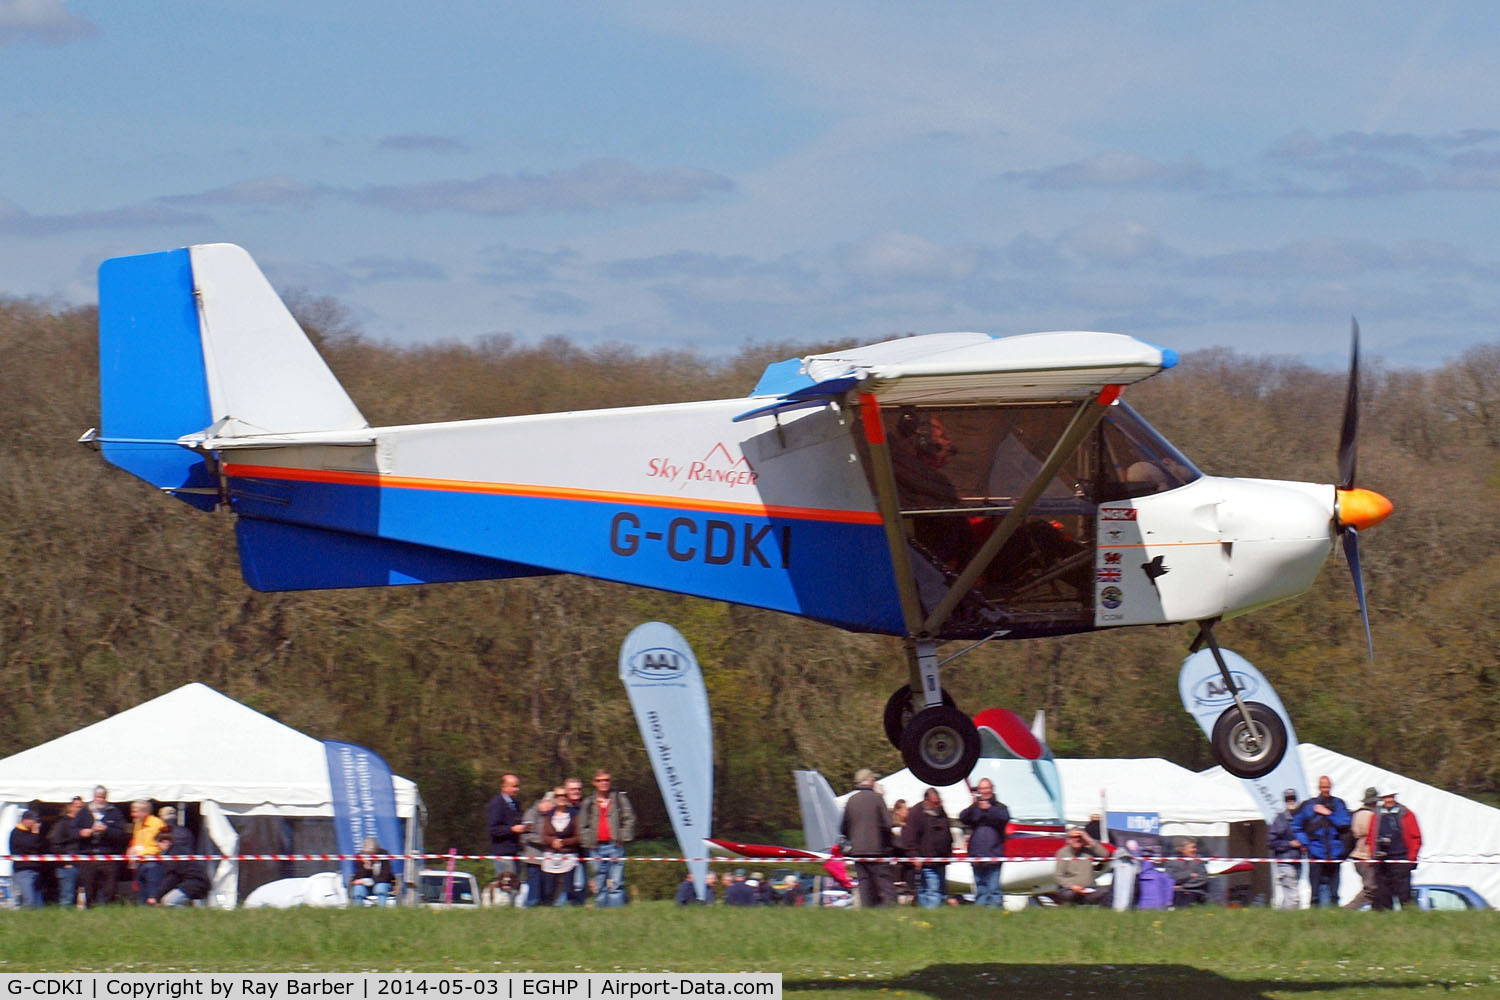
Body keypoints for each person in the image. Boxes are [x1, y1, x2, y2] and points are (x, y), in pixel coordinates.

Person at [840, 767, 896, 907]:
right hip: (877, 850)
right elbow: (888, 823)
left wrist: (855, 838)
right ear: (871, 781)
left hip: (858, 851)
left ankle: (867, 909)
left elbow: (843, 828)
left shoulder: (851, 800)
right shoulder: (877, 799)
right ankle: (892, 910)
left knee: (864, 883)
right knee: (885, 883)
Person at [578, 769, 636, 904]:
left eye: (606, 780)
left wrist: (622, 837)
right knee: (599, 880)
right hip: (595, 847)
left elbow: (629, 819)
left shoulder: (619, 798)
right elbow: (583, 824)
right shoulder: (589, 802)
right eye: (600, 780)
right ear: (594, 783)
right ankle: (601, 911)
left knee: (616, 881)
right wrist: (588, 842)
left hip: (615, 845)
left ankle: (616, 911)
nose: (603, 783)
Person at [1292, 775, 1351, 907]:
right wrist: (1305, 843)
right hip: (1316, 852)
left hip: (1335, 853)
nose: (1326, 790)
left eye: (1328, 787)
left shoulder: (1338, 804)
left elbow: (1345, 822)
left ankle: (1334, 914)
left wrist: (1328, 813)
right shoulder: (1308, 806)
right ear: (1319, 787)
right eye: (1323, 787)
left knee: (1334, 892)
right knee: (1315, 892)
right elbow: (1297, 826)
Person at [958, 778, 1010, 908]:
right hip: (977, 855)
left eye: (986, 788)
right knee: (980, 889)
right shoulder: (975, 808)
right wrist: (973, 805)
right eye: (981, 789)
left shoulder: (999, 807)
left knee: (994, 889)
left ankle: (996, 915)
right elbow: (962, 818)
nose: (984, 791)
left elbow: (1005, 818)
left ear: (991, 789)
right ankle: (980, 914)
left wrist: (989, 808)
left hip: (994, 854)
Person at [75, 785, 128, 907]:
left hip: (108, 856)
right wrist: (83, 832)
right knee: (89, 887)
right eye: (98, 797)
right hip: (88, 855)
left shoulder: (114, 812)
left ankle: (108, 910)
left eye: (103, 797)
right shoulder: (83, 812)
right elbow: (72, 831)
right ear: (94, 797)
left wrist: (107, 830)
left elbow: (122, 833)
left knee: (110, 888)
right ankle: (90, 909)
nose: (100, 800)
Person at [902, 787, 954, 909]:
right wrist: (914, 856)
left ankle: (934, 914)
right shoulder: (916, 813)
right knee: (932, 891)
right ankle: (931, 917)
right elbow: (909, 838)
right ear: (927, 801)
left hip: (941, 861)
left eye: (939, 801)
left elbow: (947, 833)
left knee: (941, 892)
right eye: (935, 802)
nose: (938, 804)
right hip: (926, 863)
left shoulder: (941, 812)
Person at [1372, 791, 1422, 910]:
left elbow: (1416, 837)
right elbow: (1371, 836)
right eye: (1386, 797)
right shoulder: (1376, 815)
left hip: (1401, 859)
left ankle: (1409, 920)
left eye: (1391, 797)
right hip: (1382, 861)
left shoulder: (1406, 814)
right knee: (1383, 895)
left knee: (1404, 895)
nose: (1389, 800)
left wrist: (1411, 858)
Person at [538, 786, 581, 907]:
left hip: (568, 856)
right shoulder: (548, 815)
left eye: (564, 796)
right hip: (550, 856)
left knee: (569, 890)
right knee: (548, 890)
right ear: (554, 798)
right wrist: (553, 841)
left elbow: (578, 837)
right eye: (558, 796)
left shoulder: (574, 815)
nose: (561, 798)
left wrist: (563, 842)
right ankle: (547, 911)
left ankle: (573, 910)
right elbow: (544, 835)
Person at [1048, 826, 1111, 905]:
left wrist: (1088, 839)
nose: (1077, 839)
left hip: (1089, 888)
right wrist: (1073, 887)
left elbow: (1105, 854)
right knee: (1071, 894)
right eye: (1073, 837)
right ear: (1068, 840)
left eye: (1080, 837)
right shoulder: (1062, 853)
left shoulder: (1088, 851)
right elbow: (1059, 876)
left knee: (1105, 891)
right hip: (1070, 890)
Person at [148, 826, 208, 907]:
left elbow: (171, 878)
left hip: (195, 884)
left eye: (158, 845)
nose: (158, 848)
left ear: (165, 842)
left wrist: (156, 897)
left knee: (168, 901)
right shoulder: (179, 850)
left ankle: (186, 917)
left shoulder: (173, 856)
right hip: (198, 883)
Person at [1266, 787, 1304, 910]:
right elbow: (1270, 842)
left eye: (1293, 798)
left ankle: (1281, 920)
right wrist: (1290, 844)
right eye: (1288, 799)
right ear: (1284, 801)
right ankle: (1291, 921)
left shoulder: (1301, 818)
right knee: (1293, 897)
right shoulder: (1279, 819)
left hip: (1298, 861)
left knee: (1289, 895)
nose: (1291, 801)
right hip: (1284, 862)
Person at [1344, 787, 1380, 910]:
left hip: (1358, 855)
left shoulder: (1357, 814)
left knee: (1374, 888)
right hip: (1366, 856)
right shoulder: (1372, 816)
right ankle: (1349, 909)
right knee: (1371, 888)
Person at [485, 774, 527, 879]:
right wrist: (512, 829)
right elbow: (493, 829)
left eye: (517, 786)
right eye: (514, 786)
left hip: (515, 851)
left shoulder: (515, 804)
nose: (517, 789)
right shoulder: (497, 804)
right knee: (506, 885)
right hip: (503, 852)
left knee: (517, 885)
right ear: (504, 787)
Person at [126, 800, 166, 904]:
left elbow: (161, 846)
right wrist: (132, 850)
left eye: (135, 812)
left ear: (145, 812)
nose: (132, 814)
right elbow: (137, 843)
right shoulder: (138, 824)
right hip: (140, 864)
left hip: (153, 864)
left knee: (152, 897)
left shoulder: (157, 824)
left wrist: (140, 853)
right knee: (141, 896)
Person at [48, 796, 84, 908]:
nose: (80, 809)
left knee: (82, 896)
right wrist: (64, 862)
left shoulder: (83, 823)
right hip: (67, 866)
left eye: (81, 807)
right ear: (70, 807)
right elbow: (54, 845)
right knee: (67, 897)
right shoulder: (61, 824)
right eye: (77, 807)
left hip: (82, 864)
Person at [8, 809, 45, 908]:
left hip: (36, 869)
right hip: (23, 870)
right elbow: (29, 845)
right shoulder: (17, 833)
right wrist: (35, 833)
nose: (36, 824)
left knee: (38, 901)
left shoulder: (33, 833)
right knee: (29, 900)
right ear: (26, 820)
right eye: (34, 821)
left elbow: (40, 847)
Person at [349, 836, 398, 907]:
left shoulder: (384, 855)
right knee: (358, 889)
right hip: (366, 886)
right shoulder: (360, 857)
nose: (369, 855)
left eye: (371, 853)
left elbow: (385, 875)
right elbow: (358, 876)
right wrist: (366, 867)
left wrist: (371, 881)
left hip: (382, 883)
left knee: (380, 887)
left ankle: (381, 910)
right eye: (367, 853)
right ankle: (357, 911)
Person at [1165, 837, 1209, 906]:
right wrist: (1189, 875)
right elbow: (1170, 877)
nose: (1195, 850)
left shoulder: (1199, 860)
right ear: (1183, 849)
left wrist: (1183, 886)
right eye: (1192, 847)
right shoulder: (1172, 860)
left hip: (1194, 891)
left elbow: (1202, 878)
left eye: (1195, 847)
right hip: (1176, 892)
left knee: (1189, 901)